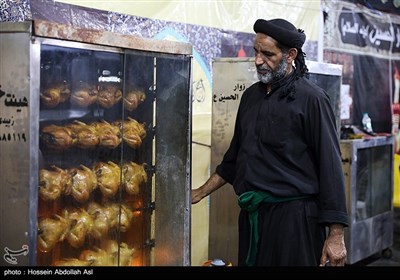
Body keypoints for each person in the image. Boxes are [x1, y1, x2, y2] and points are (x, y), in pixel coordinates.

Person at [192, 18, 349, 266]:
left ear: (290, 55)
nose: (257, 60)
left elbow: (330, 168)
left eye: (267, 54)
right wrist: (199, 193)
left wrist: (336, 235)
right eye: (256, 51)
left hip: (295, 223)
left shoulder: (312, 99)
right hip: (254, 219)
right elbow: (233, 160)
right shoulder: (250, 97)